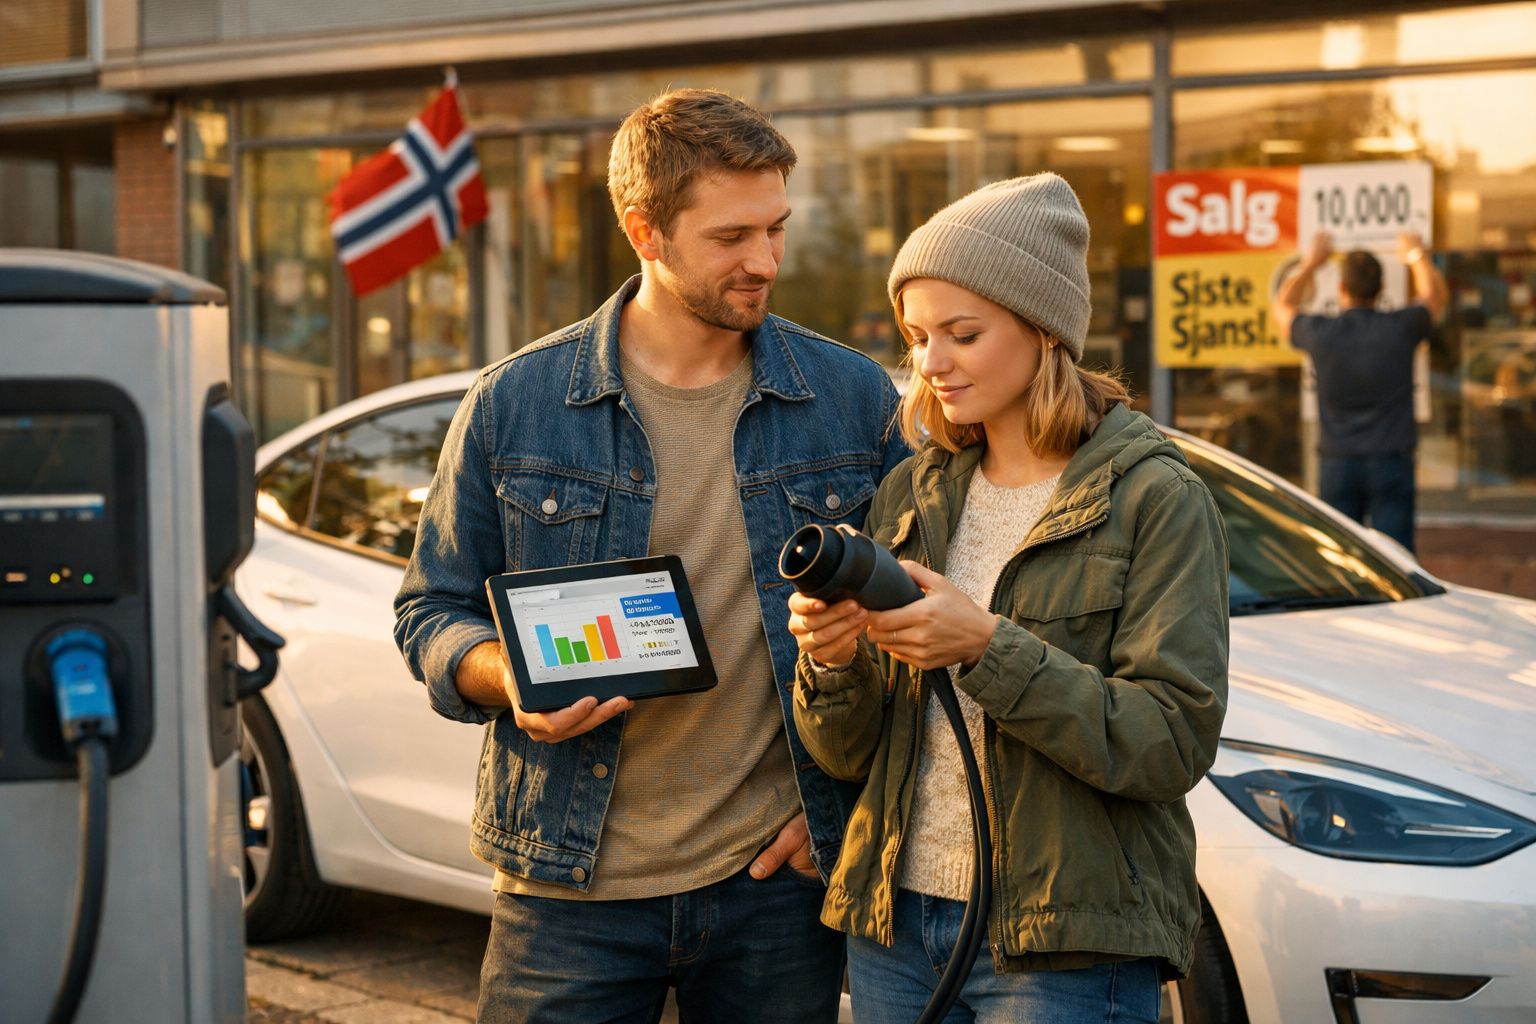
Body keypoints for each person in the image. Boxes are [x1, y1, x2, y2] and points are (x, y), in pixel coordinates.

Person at [393, 88, 910, 1023]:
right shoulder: (517, 402)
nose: (766, 261)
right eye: (732, 237)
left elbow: (916, 622)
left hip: (776, 885)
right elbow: (430, 608)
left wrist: (838, 814)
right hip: (565, 889)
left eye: (777, 229)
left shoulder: (852, 397)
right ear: (645, 231)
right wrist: (504, 674)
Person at [786, 173, 1230, 1023]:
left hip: (1064, 944)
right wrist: (834, 660)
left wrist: (987, 648)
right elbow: (848, 757)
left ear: (1044, 331)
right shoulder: (914, 493)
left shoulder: (1153, 497)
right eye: (917, 336)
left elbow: (1169, 742)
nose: (931, 363)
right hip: (894, 926)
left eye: (962, 333)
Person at [1273, 230, 1448, 552]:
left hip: (1338, 464)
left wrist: (1312, 263)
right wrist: (1416, 256)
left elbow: (1283, 304)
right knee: (1398, 560)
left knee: (1341, 559)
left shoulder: (1321, 333)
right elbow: (1433, 297)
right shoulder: (1400, 327)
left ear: (1341, 289)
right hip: (1391, 461)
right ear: (1381, 290)